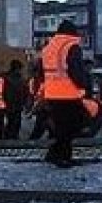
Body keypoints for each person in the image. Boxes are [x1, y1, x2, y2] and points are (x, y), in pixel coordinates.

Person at [38, 20, 89, 168]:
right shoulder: (71, 46)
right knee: (73, 126)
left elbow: (42, 72)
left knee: (62, 127)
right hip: (69, 93)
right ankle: (59, 155)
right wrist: (84, 86)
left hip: (52, 93)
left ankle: (61, 155)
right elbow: (76, 70)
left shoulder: (48, 47)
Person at [2, 60, 28, 140]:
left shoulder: (19, 78)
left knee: (15, 122)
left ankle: (12, 136)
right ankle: (10, 136)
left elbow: (24, 91)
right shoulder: (7, 79)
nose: (20, 70)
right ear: (16, 68)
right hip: (11, 103)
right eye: (19, 68)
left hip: (16, 104)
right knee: (12, 121)